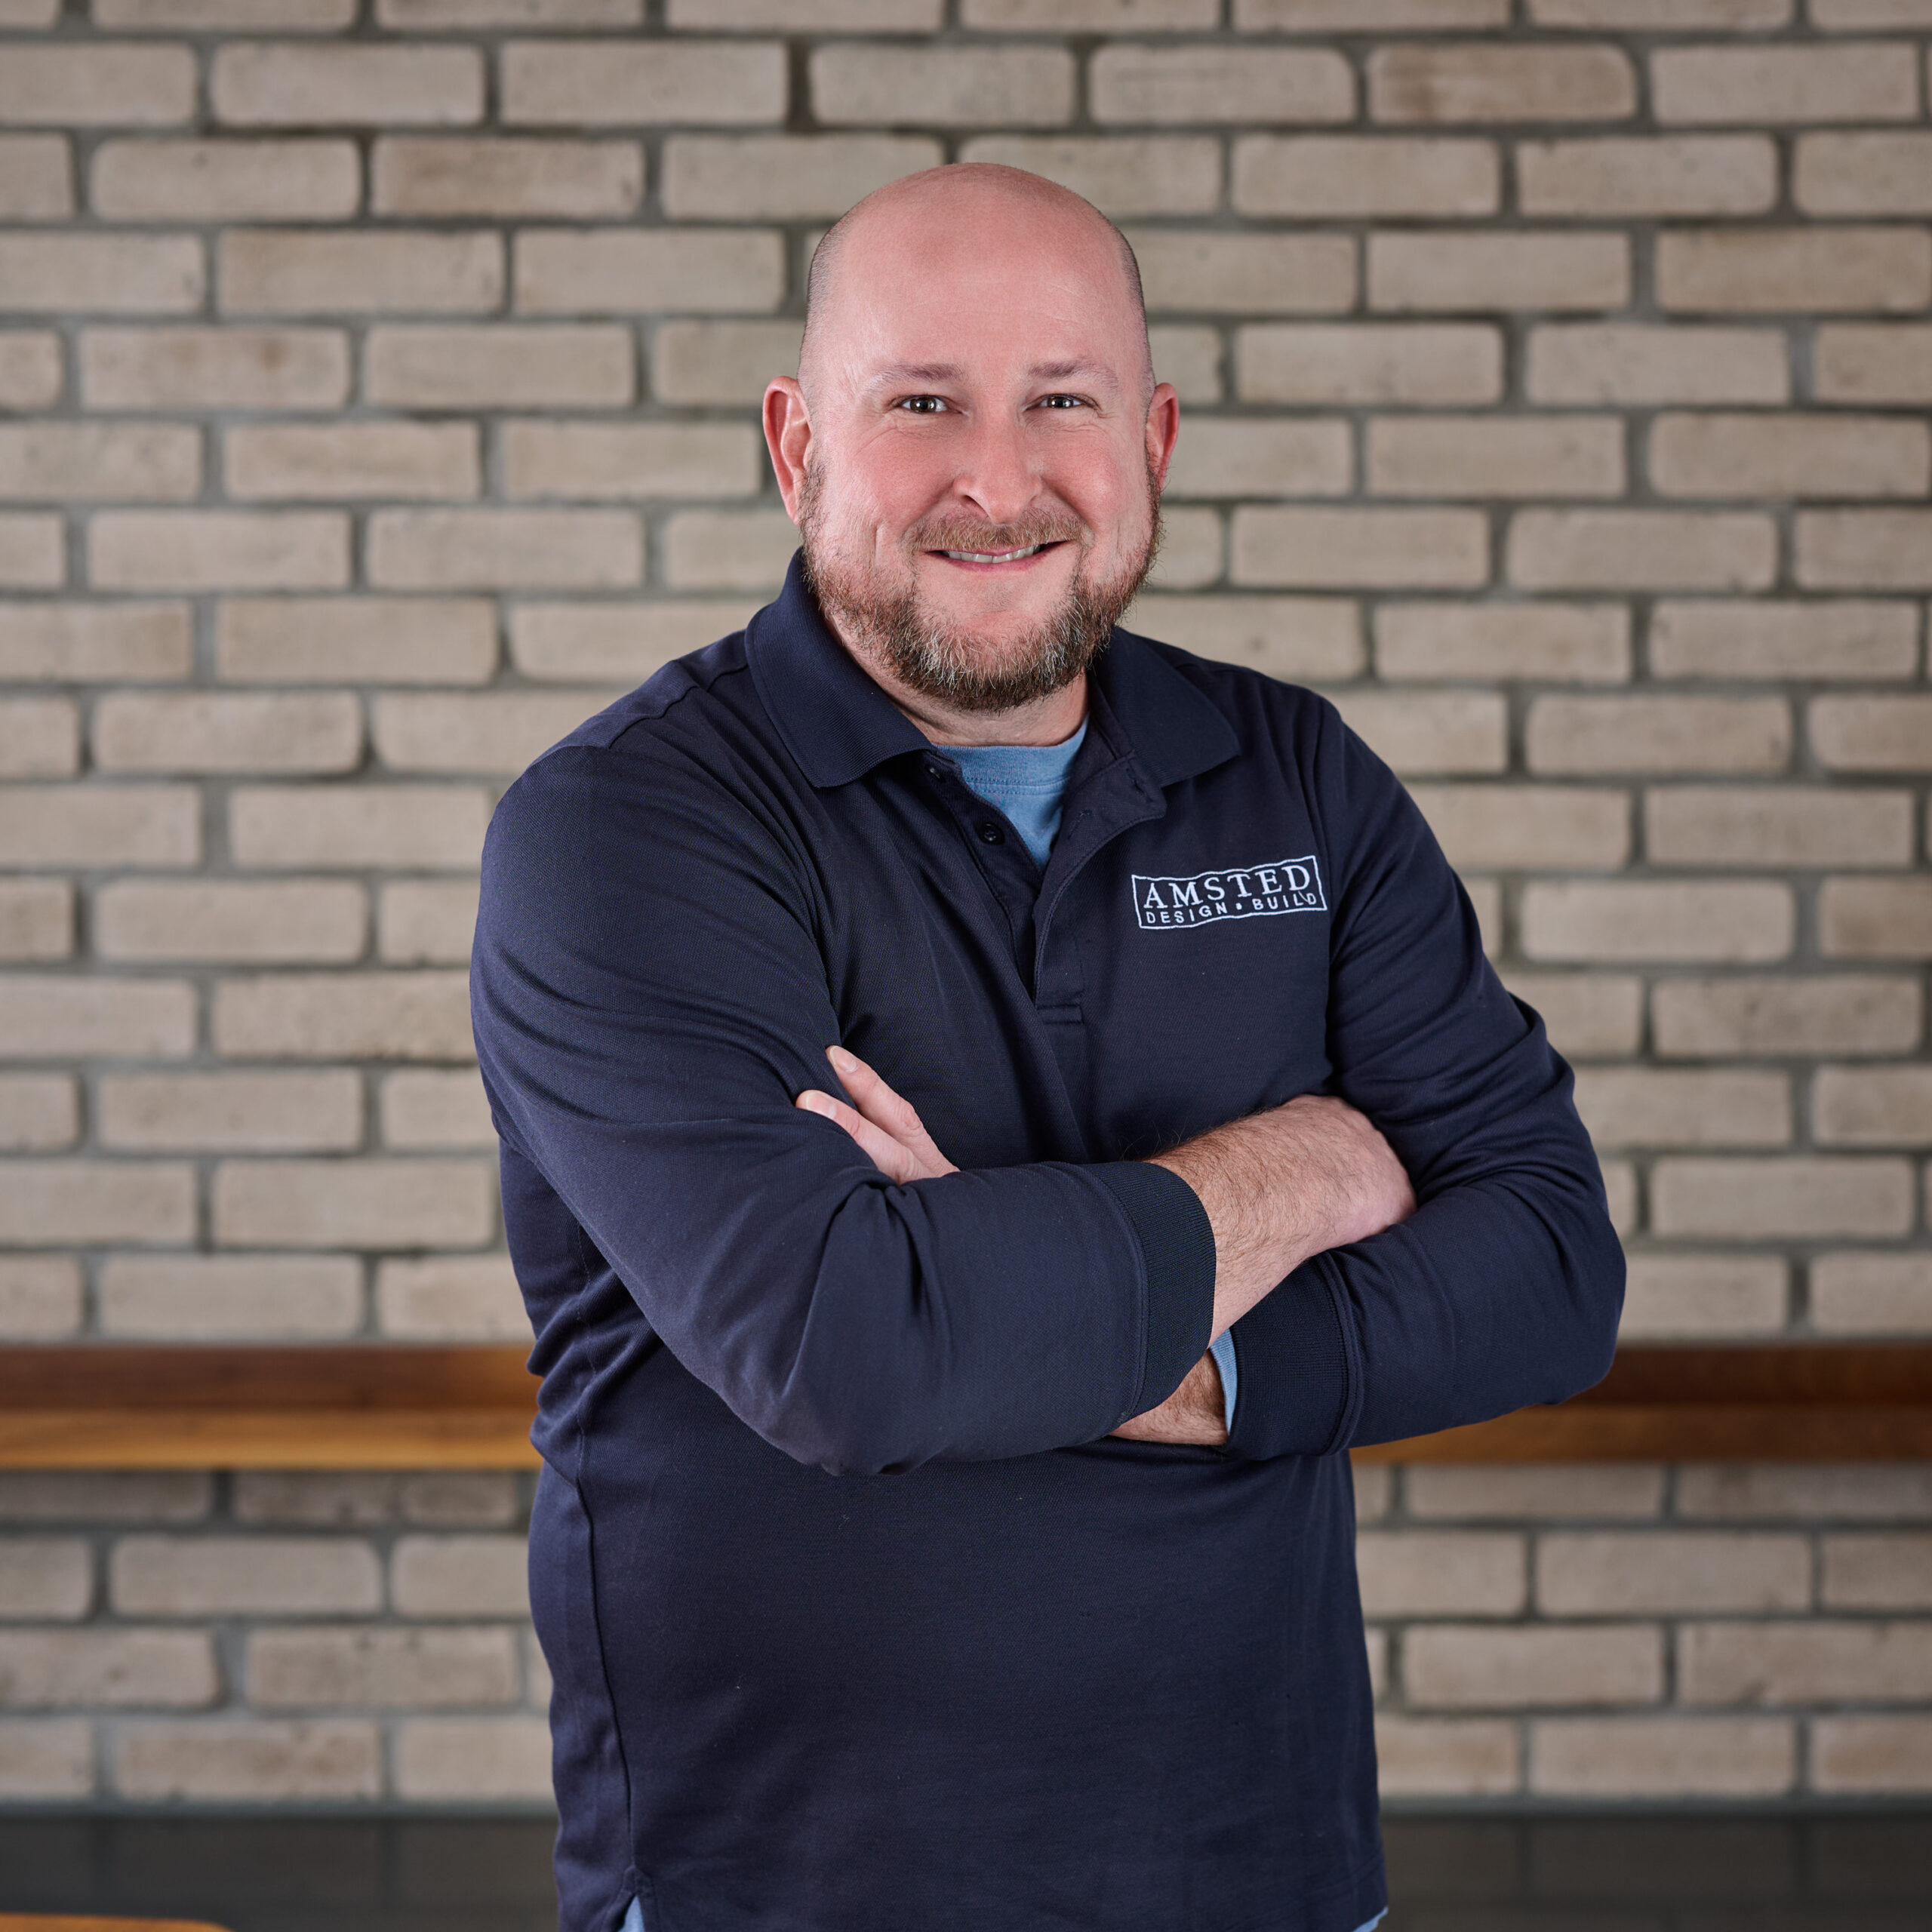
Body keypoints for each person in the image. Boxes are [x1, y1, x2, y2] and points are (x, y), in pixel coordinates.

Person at [472, 163, 1623, 1932]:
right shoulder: (628, 829)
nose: (997, 482)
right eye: (920, 403)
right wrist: (1305, 1165)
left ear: (1150, 438)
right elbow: (855, 1354)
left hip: (1265, 1871)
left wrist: (1026, 1300)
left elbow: (1544, 1266)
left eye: (1061, 401)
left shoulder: (1294, 778)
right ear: (795, 447)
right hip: (779, 1882)